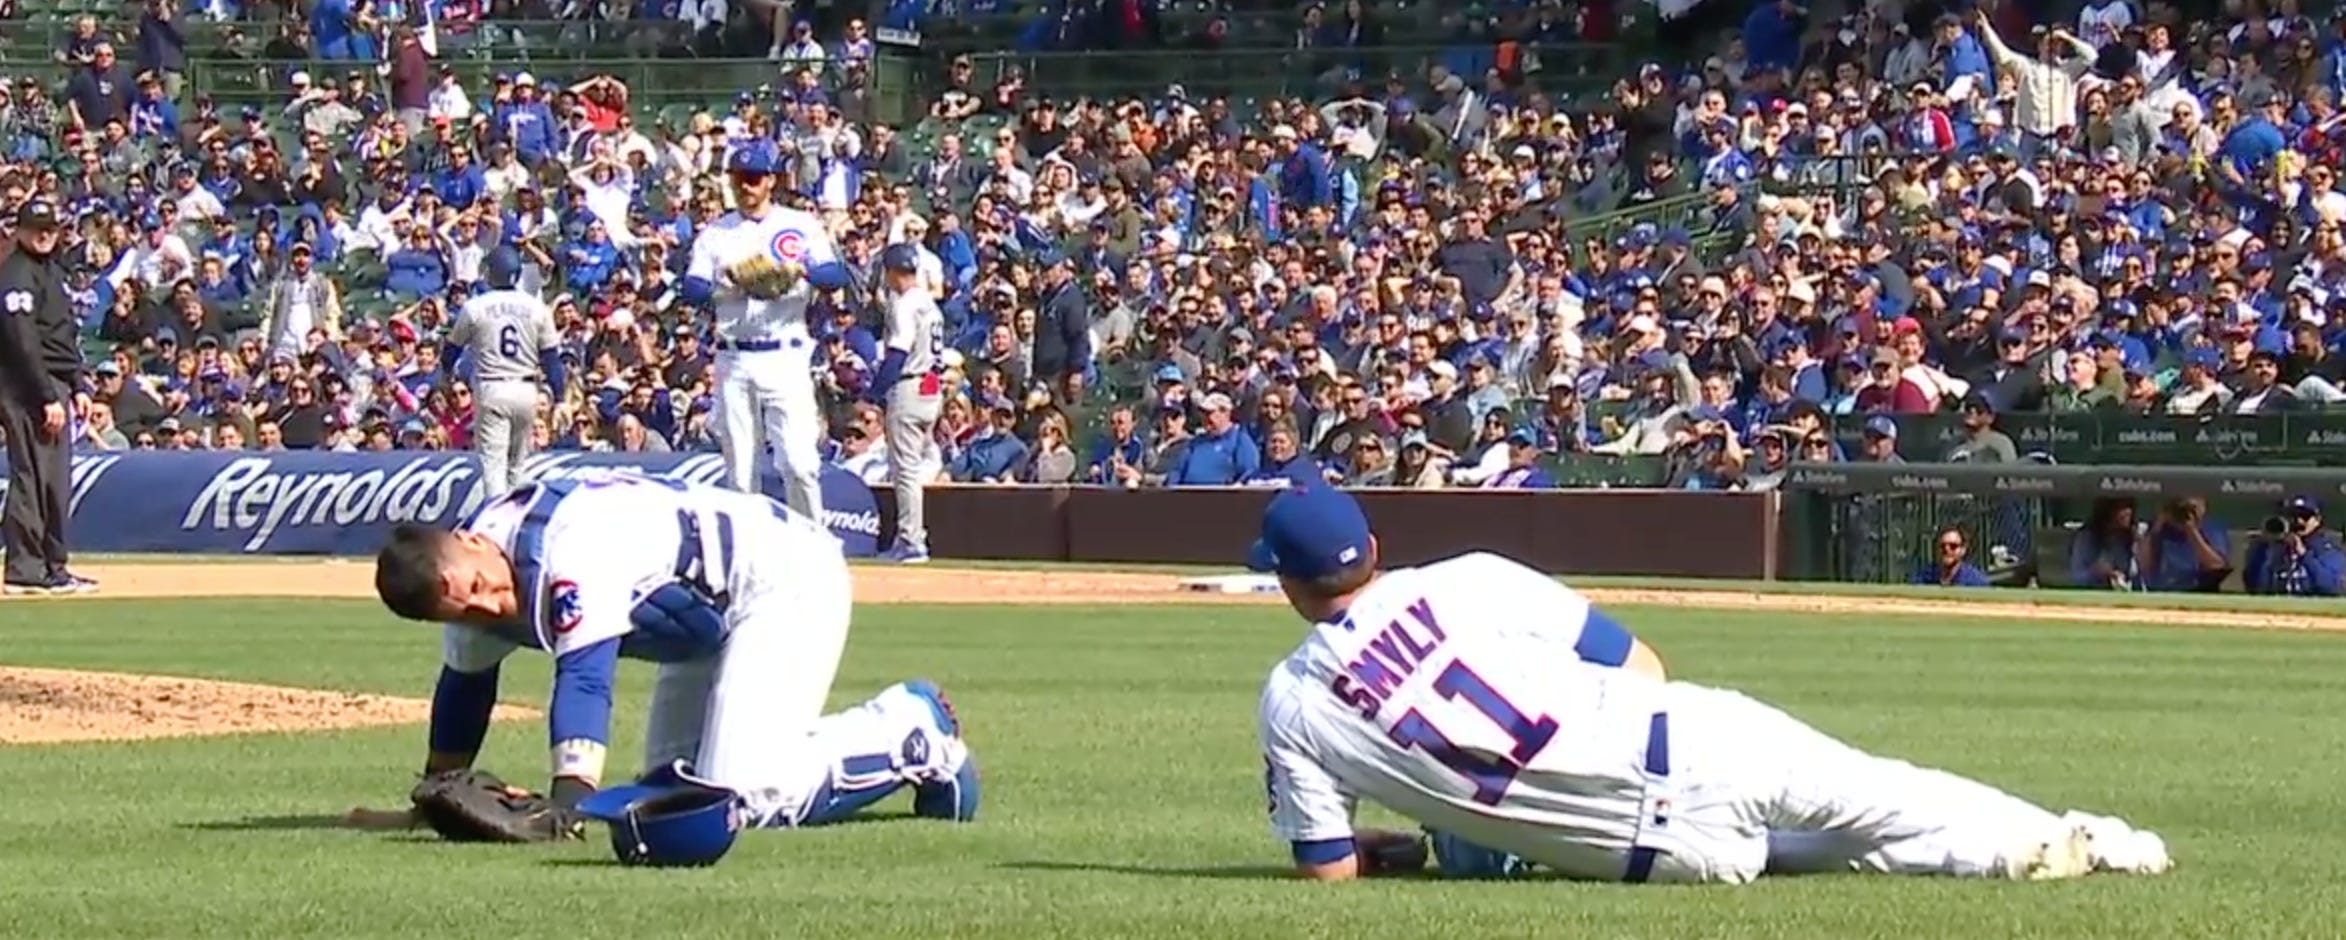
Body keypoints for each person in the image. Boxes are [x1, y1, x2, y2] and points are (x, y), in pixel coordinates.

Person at [1249, 484, 2171, 883]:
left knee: (1846, 850)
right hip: (1687, 745)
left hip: (1659, 861)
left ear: (1288, 584)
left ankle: (2020, 856)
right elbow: (1643, 664)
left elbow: (1328, 867)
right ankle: (2071, 839)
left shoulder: (1294, 702)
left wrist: (1434, 828)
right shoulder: (1470, 577)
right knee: (1892, 798)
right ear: (1373, 548)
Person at [353, 472, 980, 836]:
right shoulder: (462, 586)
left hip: (782, 579)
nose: (487, 605)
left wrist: (567, 807)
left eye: (478, 589)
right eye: (463, 609)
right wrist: (430, 797)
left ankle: (911, 733)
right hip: (704, 615)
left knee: (740, 796)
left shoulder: (570, 546)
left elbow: (585, 682)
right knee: (671, 792)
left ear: (469, 541)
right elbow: (464, 687)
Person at [683, 139, 850, 520]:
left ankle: (812, 545)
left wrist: (798, 269)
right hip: (734, 356)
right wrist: (730, 282)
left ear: (770, 181)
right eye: (740, 178)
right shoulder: (716, 233)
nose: (746, 186)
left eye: (754, 178)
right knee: (740, 475)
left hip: (786, 353)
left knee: (799, 464)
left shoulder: (799, 224)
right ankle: (748, 559)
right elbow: (691, 289)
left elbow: (834, 275)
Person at [0, 201, 93, 595]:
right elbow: (23, 343)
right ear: (18, 231)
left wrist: (78, 384)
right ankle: (26, 568)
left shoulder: (50, 271)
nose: (44, 233)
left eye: (50, 227)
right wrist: (45, 396)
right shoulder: (17, 274)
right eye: (36, 227)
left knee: (52, 478)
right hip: (26, 387)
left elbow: (60, 336)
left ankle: (53, 567)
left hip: (54, 383)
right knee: (32, 475)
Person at [443, 257, 563, 498]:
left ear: (491, 273)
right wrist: (559, 398)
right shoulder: (537, 308)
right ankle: (518, 521)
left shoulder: (475, 306)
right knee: (518, 466)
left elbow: (451, 350)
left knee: (494, 466)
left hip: (492, 386)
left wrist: (447, 374)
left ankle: (494, 525)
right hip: (526, 388)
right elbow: (551, 358)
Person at [867, 242, 944, 563]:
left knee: (906, 470)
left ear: (890, 272)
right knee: (914, 464)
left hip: (911, 385)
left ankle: (912, 541)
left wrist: (872, 394)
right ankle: (910, 536)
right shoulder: (929, 301)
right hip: (931, 385)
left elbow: (897, 352)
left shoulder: (904, 304)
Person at [2244, 496, 2345, 597]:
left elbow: (2332, 588)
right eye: (2293, 516)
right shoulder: (2276, 549)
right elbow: (2254, 587)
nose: (2299, 521)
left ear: (2317, 520)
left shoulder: (2328, 551)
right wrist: (2260, 549)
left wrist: (2304, 555)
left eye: (2305, 516)